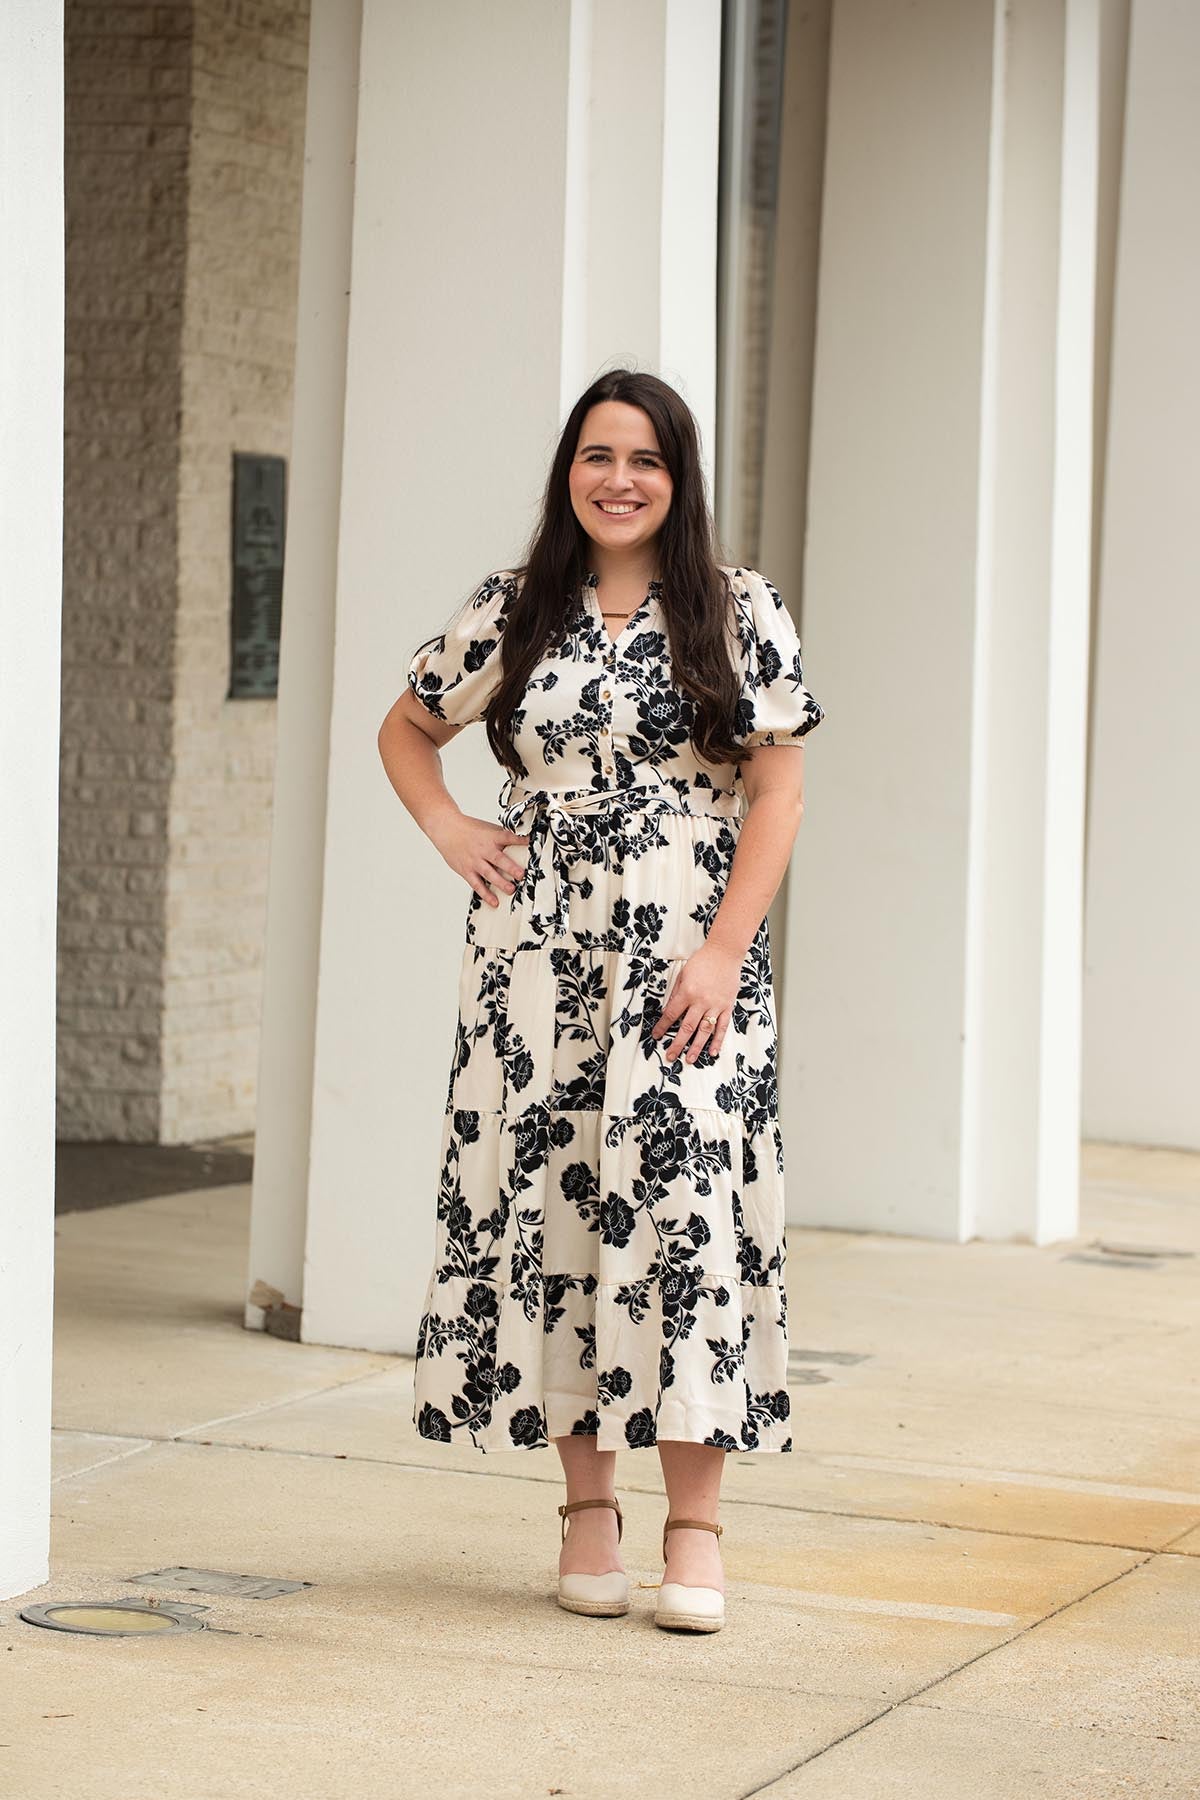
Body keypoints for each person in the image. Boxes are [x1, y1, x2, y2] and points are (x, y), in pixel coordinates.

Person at [376, 367, 825, 1634]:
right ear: (567, 471)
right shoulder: (512, 610)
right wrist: (454, 829)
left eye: (645, 458)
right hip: (539, 964)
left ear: (678, 479)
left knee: (685, 1219)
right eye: (595, 454)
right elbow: (404, 733)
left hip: (691, 952)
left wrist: (727, 948)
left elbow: (778, 792)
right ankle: (586, 1515)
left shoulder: (739, 612)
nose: (617, 478)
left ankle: (697, 1527)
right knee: (562, 1203)